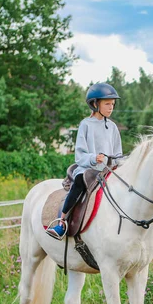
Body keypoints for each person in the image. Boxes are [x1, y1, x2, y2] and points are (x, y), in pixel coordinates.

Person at [46, 83, 123, 240]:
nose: (111, 107)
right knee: (80, 182)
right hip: (88, 170)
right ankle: (61, 222)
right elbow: (79, 155)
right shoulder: (85, 125)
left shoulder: (113, 127)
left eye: (113, 104)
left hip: (108, 171)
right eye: (107, 103)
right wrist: (94, 158)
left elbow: (118, 154)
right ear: (95, 104)